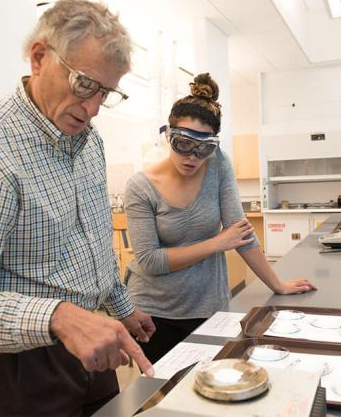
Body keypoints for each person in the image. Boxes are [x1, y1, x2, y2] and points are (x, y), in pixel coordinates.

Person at [0, 0, 156, 416]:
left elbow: (92, 245)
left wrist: (121, 306)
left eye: (106, 92)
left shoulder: (89, 142)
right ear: (39, 57)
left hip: (92, 345)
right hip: (16, 367)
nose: (92, 108)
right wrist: (58, 317)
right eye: (85, 85)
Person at [124, 73, 317, 363]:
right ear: (168, 136)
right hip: (154, 312)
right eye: (183, 144)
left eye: (204, 148)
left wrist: (277, 285)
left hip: (207, 306)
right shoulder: (140, 186)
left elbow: (240, 234)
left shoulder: (218, 164)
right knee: (164, 396)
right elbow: (150, 260)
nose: (192, 157)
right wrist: (216, 243)